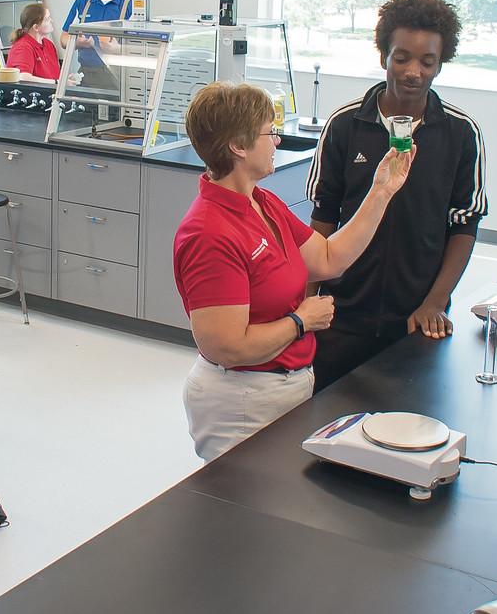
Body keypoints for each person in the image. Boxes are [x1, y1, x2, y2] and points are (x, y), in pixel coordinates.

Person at [173, 81, 412, 461]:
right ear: (238, 145)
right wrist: (300, 321)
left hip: (285, 386)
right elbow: (225, 346)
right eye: (270, 132)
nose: (277, 142)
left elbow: (329, 258)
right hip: (241, 400)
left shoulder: (262, 202)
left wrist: (381, 191)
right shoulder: (209, 233)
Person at [305, 0, 487, 392]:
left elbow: (464, 227)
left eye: (427, 61)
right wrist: (306, 302)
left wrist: (435, 302)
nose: (413, 72)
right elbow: (322, 220)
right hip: (342, 315)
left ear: (441, 64)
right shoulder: (345, 125)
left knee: (409, 430)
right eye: (401, 57)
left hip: (416, 317)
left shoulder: (460, 133)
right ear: (383, 56)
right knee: (322, 427)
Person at [5, 2, 60, 82]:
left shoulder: (49, 44)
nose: (52, 21)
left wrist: (65, 80)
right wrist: (56, 82)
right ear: (36, 27)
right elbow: (23, 77)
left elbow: (54, 75)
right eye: (47, 19)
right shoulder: (23, 47)